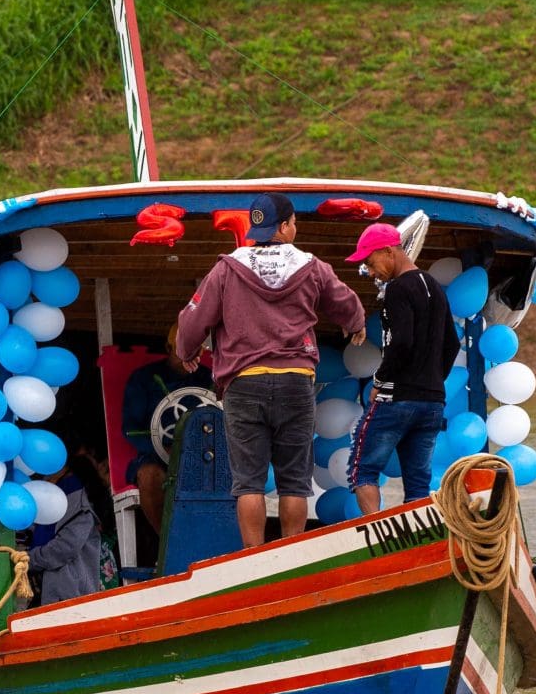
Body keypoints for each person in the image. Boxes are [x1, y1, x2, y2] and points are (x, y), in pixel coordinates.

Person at [174, 193, 366, 549]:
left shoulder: (227, 268)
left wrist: (187, 350)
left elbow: (194, 318)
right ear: (285, 226)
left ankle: (253, 556)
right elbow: (346, 302)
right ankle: (292, 554)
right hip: (295, 381)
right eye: (294, 223)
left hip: (244, 384)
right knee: (294, 481)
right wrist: (355, 323)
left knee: (248, 482)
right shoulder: (311, 266)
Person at [345, 223, 461, 513]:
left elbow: (402, 342)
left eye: (370, 263)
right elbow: (452, 344)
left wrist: (379, 381)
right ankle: (416, 539)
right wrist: (432, 381)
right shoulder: (434, 286)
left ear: (388, 251)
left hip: (396, 398)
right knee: (418, 483)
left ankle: (375, 534)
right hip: (432, 401)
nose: (370, 272)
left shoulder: (397, 288)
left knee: (363, 470)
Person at [120, 319, 211, 555]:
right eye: (184, 351)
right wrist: (165, 449)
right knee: (149, 475)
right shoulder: (143, 379)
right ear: (168, 347)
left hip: (205, 455)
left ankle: (217, 548)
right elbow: (130, 429)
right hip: (157, 456)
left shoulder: (211, 379)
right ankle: (172, 547)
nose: (190, 357)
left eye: (196, 351)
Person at [23, 464, 105, 606]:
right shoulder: (43, 503)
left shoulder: (78, 504)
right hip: (43, 594)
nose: (46, 479)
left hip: (70, 597)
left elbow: (63, 549)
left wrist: (26, 560)